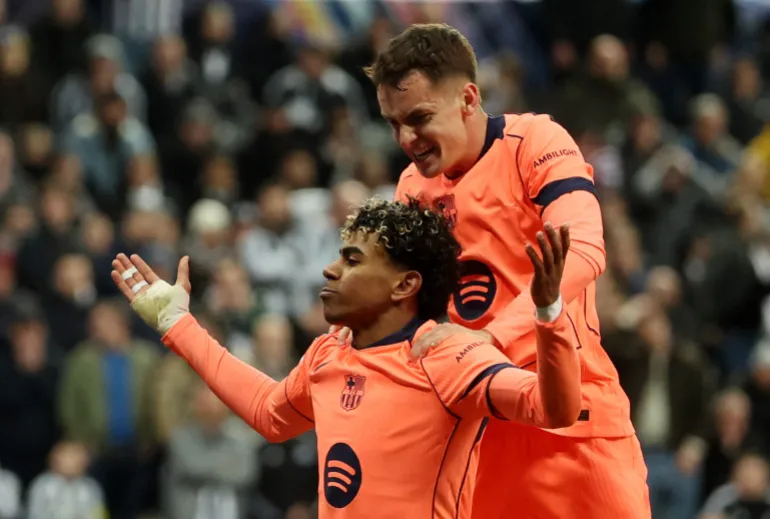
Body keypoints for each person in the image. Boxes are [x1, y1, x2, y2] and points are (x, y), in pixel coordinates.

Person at [110, 198, 581, 518]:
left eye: (353, 260)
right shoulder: (329, 353)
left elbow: (553, 408)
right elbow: (269, 414)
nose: (330, 269)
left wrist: (548, 312)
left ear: (404, 285)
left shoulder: (447, 355)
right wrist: (178, 325)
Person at [356, 23, 650, 519]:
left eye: (419, 118)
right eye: (393, 124)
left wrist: (492, 336)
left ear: (468, 98)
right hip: (478, 438)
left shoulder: (534, 141)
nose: (406, 139)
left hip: (574, 426)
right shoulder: (411, 189)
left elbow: (583, 247)